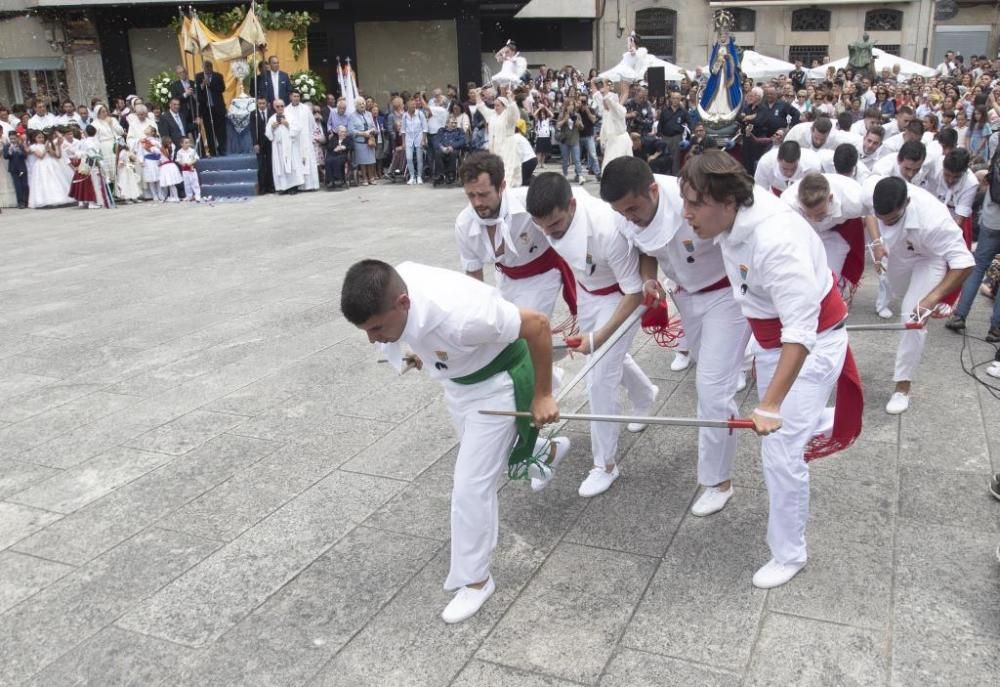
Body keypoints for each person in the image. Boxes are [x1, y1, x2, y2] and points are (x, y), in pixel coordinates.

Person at [339, 259, 564, 623]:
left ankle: (476, 580)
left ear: (403, 303)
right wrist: (422, 355)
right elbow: (410, 333)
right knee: (484, 465)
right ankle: (545, 451)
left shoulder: (463, 315)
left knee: (469, 486)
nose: (372, 338)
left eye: (376, 328)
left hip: (495, 385)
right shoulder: (389, 287)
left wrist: (542, 395)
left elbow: (537, 325)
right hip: (456, 384)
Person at [679, 150, 862, 589]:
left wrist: (771, 404)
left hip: (807, 346)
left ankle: (790, 552)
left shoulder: (775, 240)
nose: (685, 215)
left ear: (726, 201)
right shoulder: (733, 214)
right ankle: (816, 415)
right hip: (769, 335)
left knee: (779, 451)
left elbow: (800, 334)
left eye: (693, 205)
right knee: (785, 424)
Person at [601, 156, 750, 516]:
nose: (629, 217)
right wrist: (650, 278)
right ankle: (738, 365)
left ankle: (718, 481)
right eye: (622, 212)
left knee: (713, 390)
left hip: (724, 294)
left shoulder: (692, 199)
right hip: (685, 295)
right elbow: (644, 249)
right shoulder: (627, 216)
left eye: (633, 208)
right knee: (709, 375)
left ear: (653, 190)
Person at [526, 172, 658, 497]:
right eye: (541, 226)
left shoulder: (607, 228)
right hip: (588, 290)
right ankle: (645, 395)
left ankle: (606, 465)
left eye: (555, 224)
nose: (548, 232)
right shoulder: (545, 215)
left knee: (599, 377)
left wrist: (598, 337)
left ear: (571, 205)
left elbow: (634, 293)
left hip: (621, 296)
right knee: (607, 360)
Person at [867, 177, 975, 414]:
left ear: (906, 202)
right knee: (897, 291)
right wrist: (876, 242)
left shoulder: (935, 220)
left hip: (929, 257)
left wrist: (932, 298)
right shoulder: (870, 188)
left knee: (912, 317)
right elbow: (867, 214)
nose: (887, 223)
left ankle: (902, 387)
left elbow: (966, 263)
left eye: (893, 219)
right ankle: (923, 299)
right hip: (897, 256)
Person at [781, 173, 869, 301]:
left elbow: (878, 209)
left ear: (830, 198)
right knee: (802, 277)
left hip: (837, 233)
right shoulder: (786, 204)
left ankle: (834, 310)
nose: (814, 219)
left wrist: (877, 242)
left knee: (830, 280)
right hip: (805, 233)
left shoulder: (853, 199)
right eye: (808, 214)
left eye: (820, 213)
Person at [473, 87, 521, 187]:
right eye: (494, 105)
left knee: (507, 168)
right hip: (495, 146)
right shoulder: (492, 115)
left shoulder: (508, 115)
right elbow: (481, 107)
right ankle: (497, 187)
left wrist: (511, 99)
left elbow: (515, 114)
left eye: (498, 105)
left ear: (504, 106)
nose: (495, 107)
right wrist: (477, 94)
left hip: (507, 146)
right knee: (495, 168)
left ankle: (506, 188)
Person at [264, 99, 304, 194]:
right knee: (280, 166)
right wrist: (272, 128)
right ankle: (283, 187)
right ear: (274, 107)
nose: (280, 108)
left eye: (282, 106)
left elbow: (298, 129)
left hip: (289, 145)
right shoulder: (272, 119)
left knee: (292, 165)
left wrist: (287, 124)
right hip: (278, 147)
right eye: (278, 106)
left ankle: (293, 186)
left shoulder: (290, 116)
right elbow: (268, 134)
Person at [754, 141, 822, 194]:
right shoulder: (765, 164)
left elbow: (814, 192)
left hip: (802, 194)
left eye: (793, 169)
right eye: (785, 168)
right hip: (776, 193)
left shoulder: (813, 166)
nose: (789, 173)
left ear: (798, 160)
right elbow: (760, 191)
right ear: (778, 160)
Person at [26, 130, 71, 208]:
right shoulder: (33, 147)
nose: (41, 139)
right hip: (41, 165)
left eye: (42, 137)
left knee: (55, 181)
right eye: (39, 137)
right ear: (34, 138)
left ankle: (59, 198)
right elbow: (40, 156)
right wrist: (45, 149)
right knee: (44, 182)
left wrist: (50, 148)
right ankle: (46, 200)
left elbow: (56, 155)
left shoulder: (47, 145)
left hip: (51, 164)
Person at [286, 90, 320, 191]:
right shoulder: (286, 110)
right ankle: (299, 185)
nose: (296, 98)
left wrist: (310, 136)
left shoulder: (306, 109)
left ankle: (310, 185)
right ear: (290, 97)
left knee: (308, 161)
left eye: (298, 96)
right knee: (296, 163)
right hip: (294, 141)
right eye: (294, 96)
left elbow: (312, 124)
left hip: (305, 139)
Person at [196, 60, 226, 155]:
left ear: (211, 68)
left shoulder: (218, 76)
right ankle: (212, 151)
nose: (207, 70)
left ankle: (222, 149)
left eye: (208, 67)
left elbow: (222, 89)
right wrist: (202, 86)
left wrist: (210, 84)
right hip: (206, 108)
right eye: (205, 67)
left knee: (220, 130)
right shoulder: (198, 76)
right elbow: (198, 92)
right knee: (209, 130)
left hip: (217, 107)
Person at [658, 90, 689, 175]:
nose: (675, 100)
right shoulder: (665, 110)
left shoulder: (683, 112)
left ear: (680, 100)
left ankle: (675, 177)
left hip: (677, 137)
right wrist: (659, 135)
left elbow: (689, 123)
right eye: (673, 98)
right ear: (670, 99)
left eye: (677, 98)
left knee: (676, 159)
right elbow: (660, 123)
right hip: (665, 137)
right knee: (665, 158)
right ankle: (665, 176)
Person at [348, 96, 377, 186]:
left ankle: (371, 178)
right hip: (360, 141)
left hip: (370, 140)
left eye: (363, 103)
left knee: (371, 160)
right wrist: (362, 133)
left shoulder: (368, 114)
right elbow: (351, 130)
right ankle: (364, 178)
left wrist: (372, 130)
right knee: (363, 161)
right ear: (356, 106)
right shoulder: (352, 116)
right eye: (360, 104)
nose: (362, 105)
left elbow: (373, 126)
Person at [249, 96, 274, 194]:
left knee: (270, 164)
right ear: (257, 104)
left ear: (266, 103)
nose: (262, 105)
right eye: (260, 103)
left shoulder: (272, 113)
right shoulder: (253, 114)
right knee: (261, 165)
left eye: (263, 103)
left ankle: (271, 186)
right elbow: (252, 130)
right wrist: (255, 143)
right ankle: (262, 187)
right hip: (259, 143)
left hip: (270, 142)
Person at [432, 116, 466, 186]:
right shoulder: (441, 130)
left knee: (453, 153)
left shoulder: (460, 131)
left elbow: (462, 141)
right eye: (452, 123)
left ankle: (451, 175)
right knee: (437, 153)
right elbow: (436, 141)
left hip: (454, 150)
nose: (454, 124)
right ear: (447, 124)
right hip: (443, 150)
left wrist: (452, 146)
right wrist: (442, 147)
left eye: (455, 123)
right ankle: (440, 175)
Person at [557, 99, 584, 183]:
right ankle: (565, 174)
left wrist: (577, 122)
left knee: (576, 159)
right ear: (566, 106)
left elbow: (582, 127)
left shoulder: (577, 115)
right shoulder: (562, 115)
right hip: (564, 140)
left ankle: (579, 175)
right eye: (569, 105)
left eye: (572, 105)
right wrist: (565, 119)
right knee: (565, 159)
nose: (571, 107)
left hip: (575, 139)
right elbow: (557, 125)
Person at [402, 97, 427, 185]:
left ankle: (419, 176)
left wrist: (424, 140)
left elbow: (424, 128)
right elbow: (403, 130)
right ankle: (412, 176)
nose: (413, 106)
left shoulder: (420, 114)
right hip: (408, 139)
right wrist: (403, 142)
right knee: (409, 158)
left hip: (419, 138)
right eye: (411, 104)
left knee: (419, 158)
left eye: (414, 104)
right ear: (407, 106)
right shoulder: (405, 116)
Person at [3, 129, 29, 208]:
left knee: (24, 185)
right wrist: (10, 151)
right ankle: (20, 202)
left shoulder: (21, 146)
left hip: (22, 168)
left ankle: (26, 201)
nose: (13, 140)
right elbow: (5, 156)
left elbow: (25, 156)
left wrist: (20, 151)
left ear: (17, 138)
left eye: (14, 138)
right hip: (13, 169)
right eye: (11, 139)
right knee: (17, 186)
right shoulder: (7, 146)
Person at [175, 136, 202, 202]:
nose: (188, 144)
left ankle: (197, 195)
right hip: (185, 170)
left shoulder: (192, 151)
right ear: (181, 144)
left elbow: (196, 158)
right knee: (187, 184)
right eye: (186, 143)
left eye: (188, 143)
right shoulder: (179, 152)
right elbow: (178, 160)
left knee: (195, 183)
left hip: (192, 169)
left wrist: (192, 162)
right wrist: (182, 163)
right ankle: (189, 196)